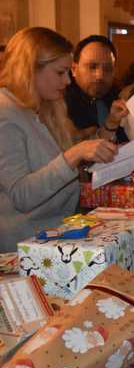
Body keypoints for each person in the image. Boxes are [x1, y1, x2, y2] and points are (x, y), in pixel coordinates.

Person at [0, 27, 117, 252]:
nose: (67, 81)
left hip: (53, 234)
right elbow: (22, 195)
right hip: (23, 247)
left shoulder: (41, 107)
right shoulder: (5, 114)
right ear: (31, 69)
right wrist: (75, 154)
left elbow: (61, 161)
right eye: (60, 72)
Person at [65, 35, 128, 143]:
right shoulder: (60, 105)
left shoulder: (118, 98)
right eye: (92, 67)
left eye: (108, 69)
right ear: (74, 69)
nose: (100, 75)